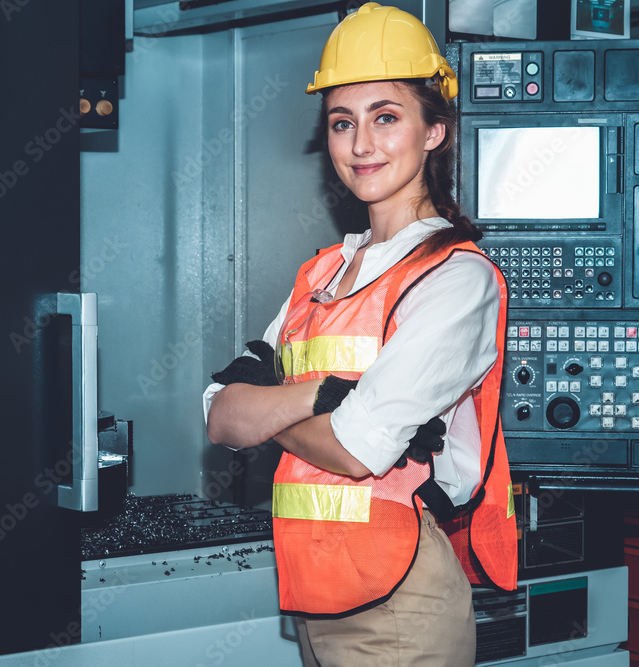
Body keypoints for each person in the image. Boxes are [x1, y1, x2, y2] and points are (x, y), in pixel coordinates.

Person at [203, 4, 517, 665]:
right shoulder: (321, 272)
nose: (361, 144)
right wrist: (324, 392)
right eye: (342, 123)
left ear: (434, 130)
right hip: (313, 595)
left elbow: (354, 449)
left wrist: (274, 403)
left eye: (386, 116)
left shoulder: (456, 278)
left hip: (400, 602)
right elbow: (219, 415)